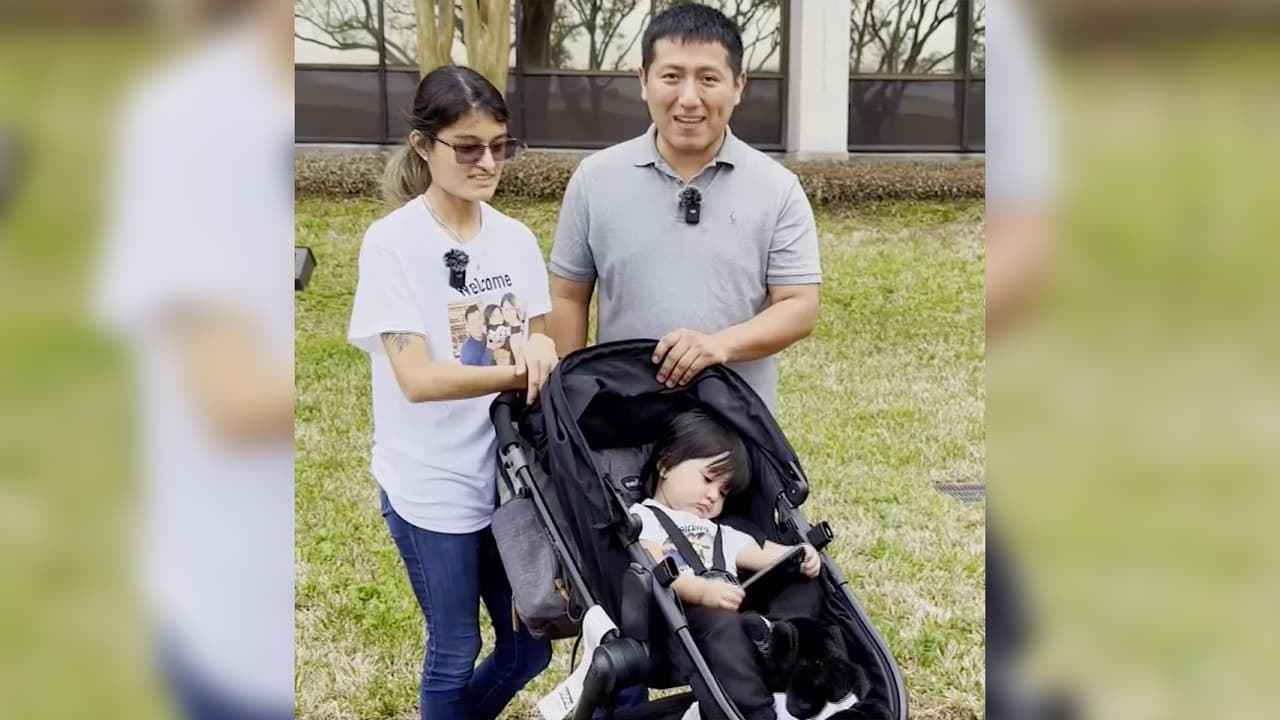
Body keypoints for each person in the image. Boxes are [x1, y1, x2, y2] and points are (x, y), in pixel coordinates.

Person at [346, 64, 557, 720]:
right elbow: (418, 378)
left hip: (507, 483)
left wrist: (541, 354)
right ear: (423, 146)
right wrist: (520, 370)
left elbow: (542, 343)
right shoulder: (393, 244)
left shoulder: (516, 241)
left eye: (501, 144)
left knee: (531, 647)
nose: (488, 160)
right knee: (455, 644)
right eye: (468, 146)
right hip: (429, 483)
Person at [547, 2, 821, 411]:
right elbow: (568, 296)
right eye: (671, 76)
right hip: (618, 419)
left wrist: (717, 347)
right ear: (643, 80)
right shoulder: (594, 179)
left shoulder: (777, 188)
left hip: (734, 424)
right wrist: (564, 403)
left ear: (739, 84)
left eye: (709, 78)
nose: (688, 98)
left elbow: (799, 306)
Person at [629, 409, 821, 720]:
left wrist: (798, 553)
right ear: (665, 464)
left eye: (723, 491)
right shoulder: (644, 518)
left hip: (737, 614)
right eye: (707, 478)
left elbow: (762, 552)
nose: (712, 496)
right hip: (684, 619)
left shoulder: (719, 530)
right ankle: (757, 713)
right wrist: (702, 591)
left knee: (804, 585)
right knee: (721, 623)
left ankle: (794, 667)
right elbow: (653, 564)